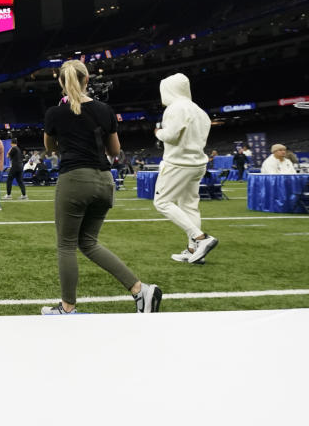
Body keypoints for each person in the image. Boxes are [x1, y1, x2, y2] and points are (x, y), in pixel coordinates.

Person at [42, 60, 161, 314]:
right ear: (87, 80)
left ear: (61, 83)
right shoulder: (105, 110)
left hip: (74, 179)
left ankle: (67, 308)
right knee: (88, 243)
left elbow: (50, 148)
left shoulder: (55, 113)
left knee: (66, 245)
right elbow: (115, 151)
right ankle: (140, 290)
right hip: (105, 181)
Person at [153, 73, 218, 265]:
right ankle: (193, 251)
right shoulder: (199, 110)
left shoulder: (175, 108)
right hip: (198, 162)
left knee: (162, 202)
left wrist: (159, 132)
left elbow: (172, 136)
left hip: (178, 163)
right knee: (189, 205)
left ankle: (200, 238)